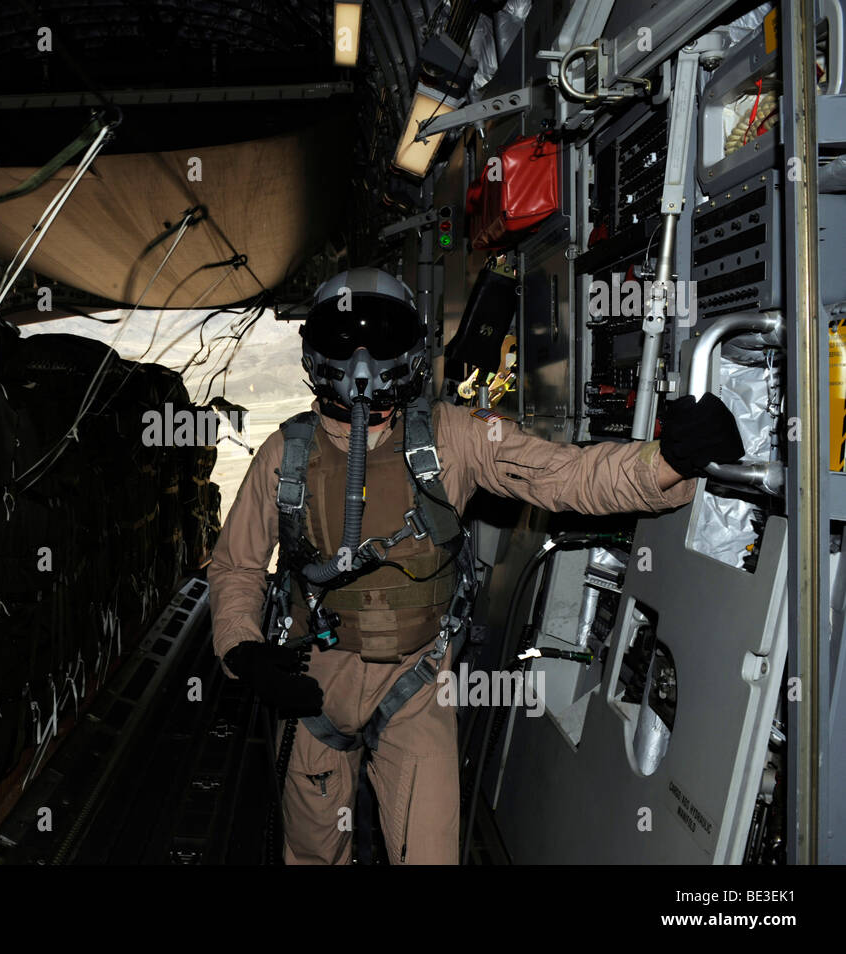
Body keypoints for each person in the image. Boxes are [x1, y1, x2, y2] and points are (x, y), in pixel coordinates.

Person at [207, 267, 745, 864]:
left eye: (380, 339)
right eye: (343, 342)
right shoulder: (285, 455)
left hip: (414, 683)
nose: (362, 362)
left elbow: (563, 474)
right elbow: (237, 567)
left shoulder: (454, 439)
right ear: (316, 353)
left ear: (409, 348)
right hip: (314, 678)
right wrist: (243, 649)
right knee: (310, 852)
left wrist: (665, 464)